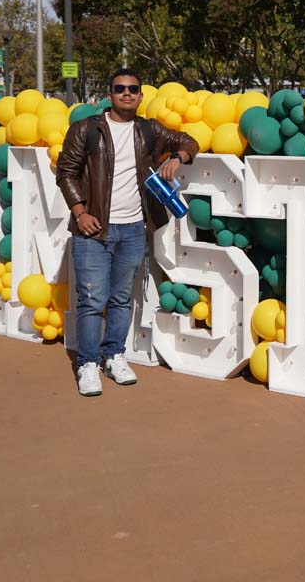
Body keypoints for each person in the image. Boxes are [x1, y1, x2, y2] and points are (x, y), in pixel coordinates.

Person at [56, 69, 199, 397]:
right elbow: (66, 172)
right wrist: (80, 212)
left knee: (121, 298)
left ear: (140, 95)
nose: (127, 94)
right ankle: (88, 363)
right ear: (110, 93)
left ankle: (114, 356)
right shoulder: (86, 129)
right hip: (93, 228)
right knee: (92, 299)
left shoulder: (148, 130)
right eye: (120, 89)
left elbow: (189, 141)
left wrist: (177, 156)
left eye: (133, 89)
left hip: (135, 227)